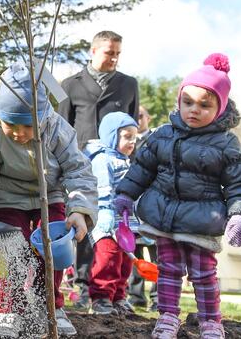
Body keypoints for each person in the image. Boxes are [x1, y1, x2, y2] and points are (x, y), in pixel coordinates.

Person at [115, 53, 241, 339]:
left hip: (203, 220)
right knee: (168, 270)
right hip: (164, 217)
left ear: (220, 107)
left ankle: (210, 322)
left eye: (205, 105)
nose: (194, 110)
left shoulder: (225, 143)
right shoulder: (162, 135)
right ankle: (167, 317)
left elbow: (240, 184)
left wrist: (240, 214)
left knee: (203, 273)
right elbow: (142, 169)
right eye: (188, 102)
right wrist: (125, 195)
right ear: (179, 101)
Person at [0, 61, 98, 338]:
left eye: (27, 126)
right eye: (11, 124)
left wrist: (80, 209)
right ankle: (6, 310)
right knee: (8, 251)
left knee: (54, 251)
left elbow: (78, 170)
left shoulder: (57, 130)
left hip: (51, 194)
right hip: (8, 198)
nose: (19, 133)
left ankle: (50, 308)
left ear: (43, 117)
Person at [58, 30, 139, 308]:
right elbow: (61, 126)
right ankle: (82, 286)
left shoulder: (129, 84)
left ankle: (114, 291)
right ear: (93, 51)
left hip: (114, 171)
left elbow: (132, 126)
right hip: (81, 165)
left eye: (117, 53)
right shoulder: (70, 84)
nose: (114, 58)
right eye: (109, 52)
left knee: (116, 233)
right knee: (84, 222)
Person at [83, 111, 138, 315]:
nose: (132, 141)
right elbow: (102, 189)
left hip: (124, 223)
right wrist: (105, 214)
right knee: (108, 259)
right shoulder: (103, 159)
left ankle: (118, 297)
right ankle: (101, 298)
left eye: (134, 137)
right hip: (107, 221)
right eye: (127, 136)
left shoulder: (126, 161)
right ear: (112, 135)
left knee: (125, 262)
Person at [128, 105, 158, 310]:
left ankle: (158, 297)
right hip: (132, 206)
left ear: (148, 118)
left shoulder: (156, 140)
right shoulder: (125, 141)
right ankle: (136, 296)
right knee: (135, 252)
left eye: (141, 116)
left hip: (152, 204)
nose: (138, 120)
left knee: (157, 252)